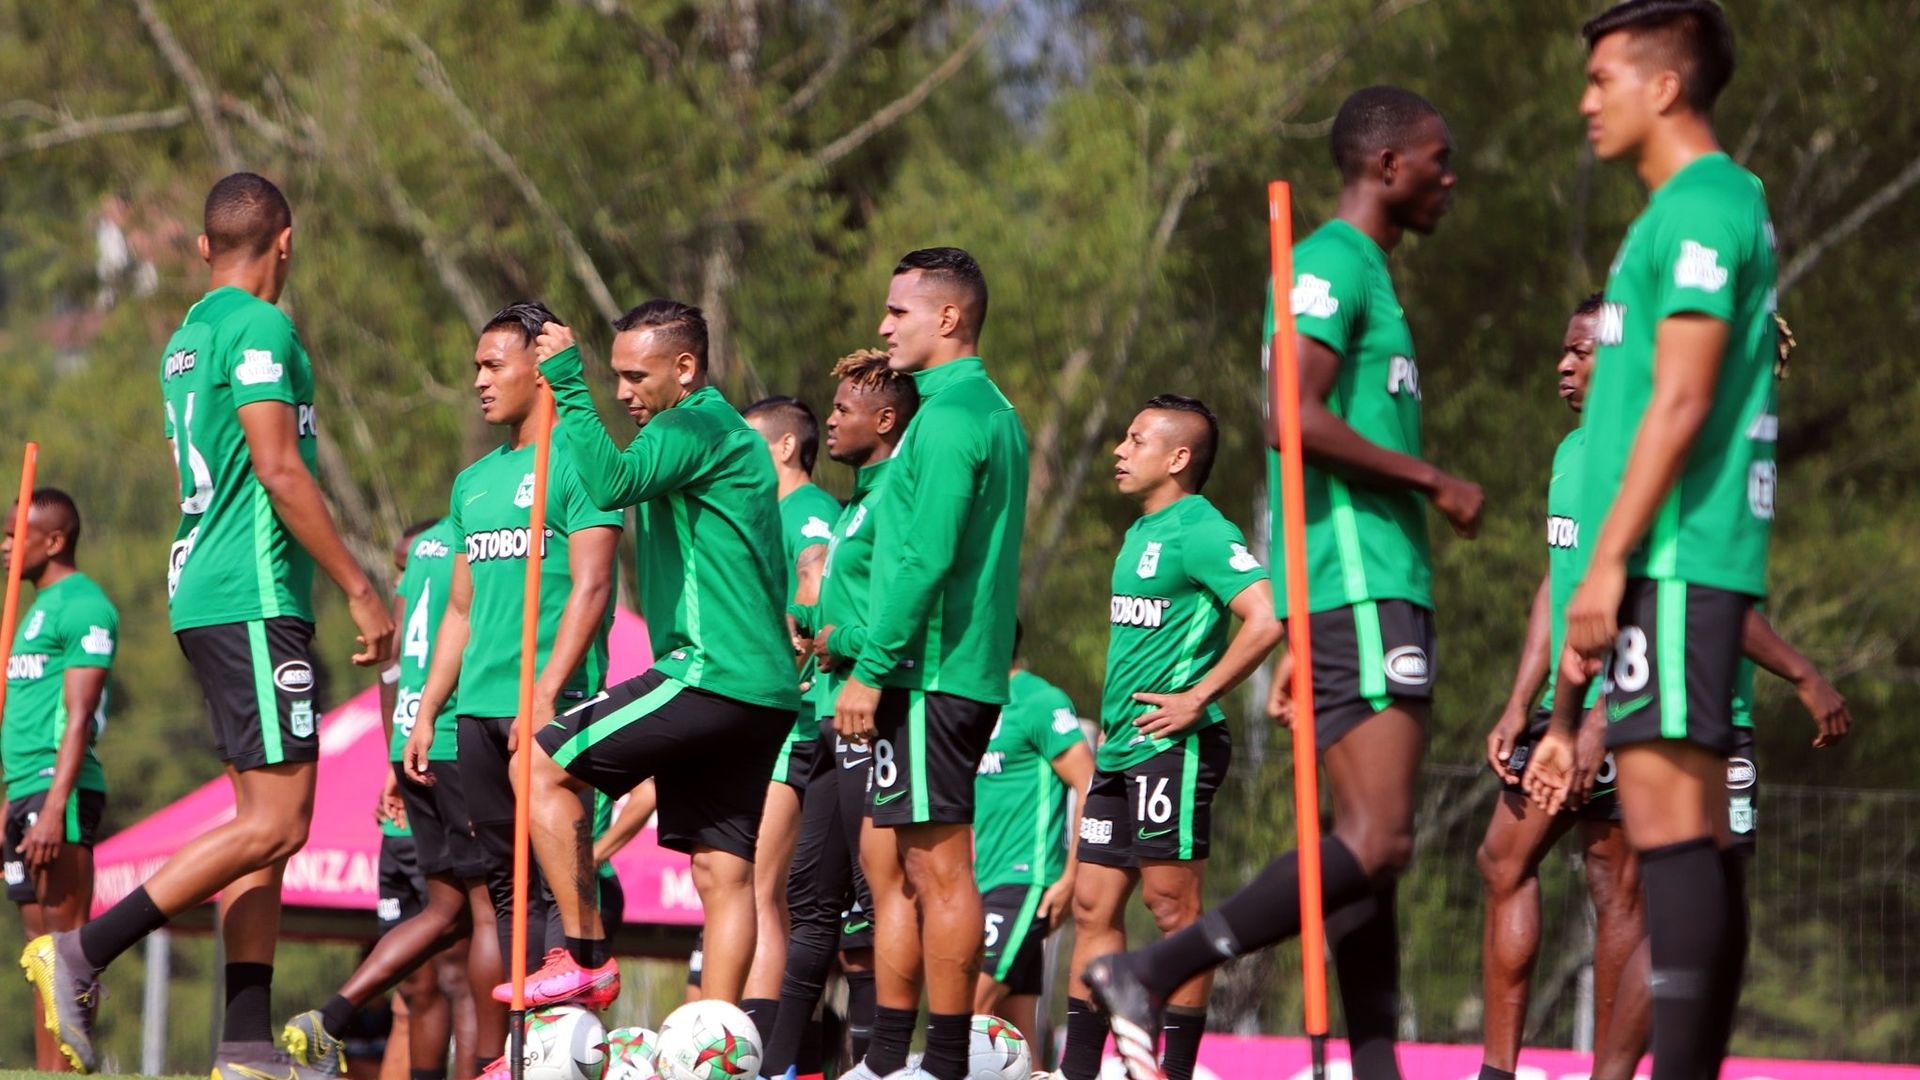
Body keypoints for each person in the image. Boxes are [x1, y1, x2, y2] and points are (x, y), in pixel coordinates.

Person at [1085, 87, 1481, 1080]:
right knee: (1380, 836)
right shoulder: (1332, 262)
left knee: (1370, 856)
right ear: (1387, 165)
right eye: (1438, 158)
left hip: (1369, 585)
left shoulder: (1370, 273)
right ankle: (1157, 966)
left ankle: (1376, 1068)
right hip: (1359, 581)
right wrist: (1434, 479)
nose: (1450, 176)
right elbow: (1289, 417)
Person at [24, 172, 398, 1079]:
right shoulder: (260, 327)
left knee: (256, 822)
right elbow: (278, 469)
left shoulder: (187, 338)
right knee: (279, 822)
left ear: (199, 248)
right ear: (287, 240)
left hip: (205, 589)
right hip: (254, 592)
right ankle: (83, 950)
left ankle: (243, 1042)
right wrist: (358, 585)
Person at [1521, 4, 1784, 1076]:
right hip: (1668, 570)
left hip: (1678, 563)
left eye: (1602, 77)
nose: (1586, 99)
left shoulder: (1711, 204)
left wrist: (1612, 560)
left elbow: (1679, 403)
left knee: (1672, 841)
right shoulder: (1669, 217)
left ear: (1665, 86)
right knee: (1689, 847)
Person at [507, 299, 799, 1013]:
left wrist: (566, 381)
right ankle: (718, 1043)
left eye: (637, 376)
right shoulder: (728, 432)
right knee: (723, 875)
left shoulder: (691, 425)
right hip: (763, 692)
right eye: (614, 377)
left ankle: (582, 958)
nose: (623, 392)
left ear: (686, 368)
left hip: (707, 673)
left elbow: (609, 483)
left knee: (537, 766)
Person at [397, 301, 624, 1077]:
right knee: (505, 887)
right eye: (476, 367)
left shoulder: (582, 465)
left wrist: (548, 691)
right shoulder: (474, 482)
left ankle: (577, 1046)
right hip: (477, 711)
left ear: (539, 367)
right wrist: (428, 709)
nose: (479, 381)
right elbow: (459, 607)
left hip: (555, 708)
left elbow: (594, 589)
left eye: (493, 365)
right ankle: (524, 1055)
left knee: (563, 879)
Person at [829, 247, 1030, 1080]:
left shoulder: (951, 420)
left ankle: (943, 1063)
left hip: (930, 672)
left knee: (940, 871)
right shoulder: (982, 410)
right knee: (917, 868)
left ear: (948, 318)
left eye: (898, 311)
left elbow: (925, 557)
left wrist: (871, 669)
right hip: (941, 670)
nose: (883, 327)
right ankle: (896, 1061)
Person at [1058, 398, 1280, 1080]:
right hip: (1122, 748)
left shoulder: (1203, 532)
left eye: (1135, 439)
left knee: (1171, 907)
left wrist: (1198, 697)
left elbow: (1266, 618)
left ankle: (1174, 1069)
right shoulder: (1139, 532)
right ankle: (1079, 1070)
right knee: (1093, 906)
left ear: (1178, 458)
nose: (1120, 451)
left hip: (1173, 748)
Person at [283, 517, 502, 1079]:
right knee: (487, 919)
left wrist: (393, 753)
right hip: (454, 736)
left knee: (449, 916)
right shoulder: (481, 532)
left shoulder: (423, 551)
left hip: (412, 744)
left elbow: (392, 667)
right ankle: (493, 1068)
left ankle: (329, 1018)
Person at [762, 350, 918, 1077]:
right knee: (809, 899)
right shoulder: (856, 504)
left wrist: (843, 640)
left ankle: (888, 1061)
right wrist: (807, 610)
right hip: (827, 715)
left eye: (845, 411)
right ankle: (781, 1064)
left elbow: (904, 605)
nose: (831, 422)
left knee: (879, 893)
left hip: (870, 714)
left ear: (885, 421)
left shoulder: (893, 498)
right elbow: (827, 602)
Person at [737, 394, 843, 1039]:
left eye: (749, 441)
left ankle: (753, 1051)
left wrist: (801, 630)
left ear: (782, 447)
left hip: (795, 722)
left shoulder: (811, 512)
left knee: (761, 894)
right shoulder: (762, 510)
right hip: (759, 717)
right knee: (738, 886)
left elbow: (819, 580)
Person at [3, 489, 115, 1073]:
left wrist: (53, 806)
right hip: (22, 788)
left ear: (55, 540)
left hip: (59, 790)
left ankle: (70, 1069)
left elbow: (78, 717)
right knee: (36, 955)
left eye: (16, 534)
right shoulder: (33, 610)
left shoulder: (83, 605)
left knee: (67, 948)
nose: (5, 546)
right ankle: (45, 1070)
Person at [973, 621, 1095, 1060]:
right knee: (1015, 1037)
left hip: (1027, 880)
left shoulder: (1039, 701)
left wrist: (1070, 876)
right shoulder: (974, 705)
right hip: (983, 882)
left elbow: (1088, 783)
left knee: (968, 1009)